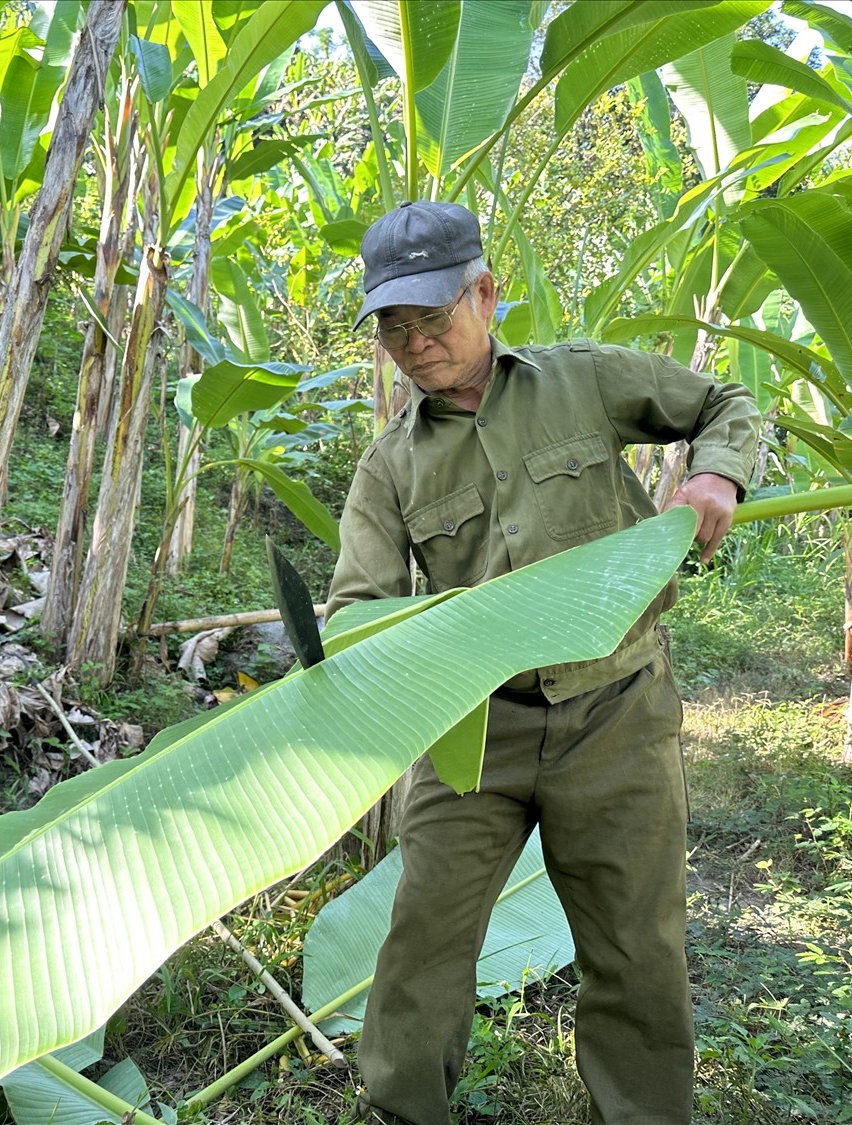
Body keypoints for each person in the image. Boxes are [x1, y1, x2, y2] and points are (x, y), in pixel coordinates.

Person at [327, 201, 762, 1125]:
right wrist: (384, 638)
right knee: (420, 951)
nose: (413, 344)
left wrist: (716, 471)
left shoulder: (584, 381)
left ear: (483, 293)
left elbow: (724, 401)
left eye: (431, 318)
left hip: (618, 710)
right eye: (391, 328)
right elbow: (358, 610)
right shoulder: (389, 468)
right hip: (473, 731)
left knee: (636, 949)